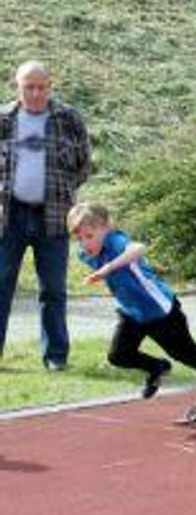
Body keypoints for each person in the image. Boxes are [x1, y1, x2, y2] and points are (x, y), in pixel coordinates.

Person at [68, 203, 196, 410]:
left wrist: (108, 268)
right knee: (118, 355)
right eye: (79, 238)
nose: (84, 243)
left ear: (106, 228)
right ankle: (157, 367)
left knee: (187, 354)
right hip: (133, 313)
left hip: (161, 310)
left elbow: (138, 248)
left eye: (89, 236)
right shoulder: (84, 254)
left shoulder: (115, 241)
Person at [0, 61, 92, 370]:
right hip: (8, 217)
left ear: (50, 87)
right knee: (1, 286)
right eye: (29, 86)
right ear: (18, 87)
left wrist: (60, 194)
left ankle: (55, 356)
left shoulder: (69, 119)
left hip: (52, 217)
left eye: (41, 86)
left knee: (53, 290)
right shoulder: (3, 119)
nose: (36, 93)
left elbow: (83, 165)